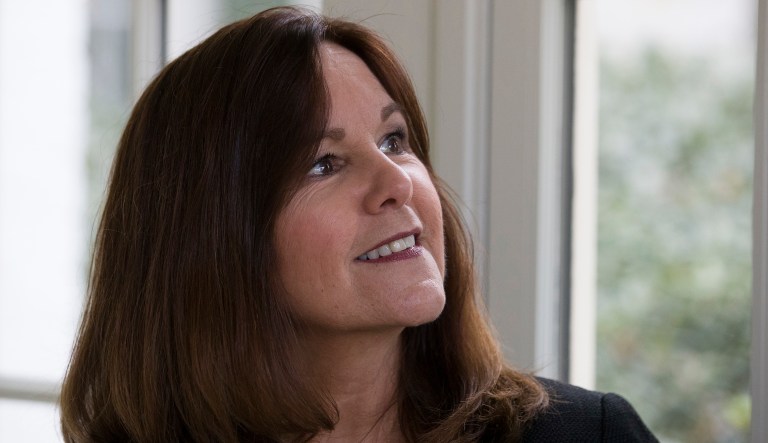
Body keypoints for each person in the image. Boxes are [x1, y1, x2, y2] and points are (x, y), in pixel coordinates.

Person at [60, 6, 658, 443]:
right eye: (324, 163)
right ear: (209, 239)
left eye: (394, 141)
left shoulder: (591, 437)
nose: (399, 182)